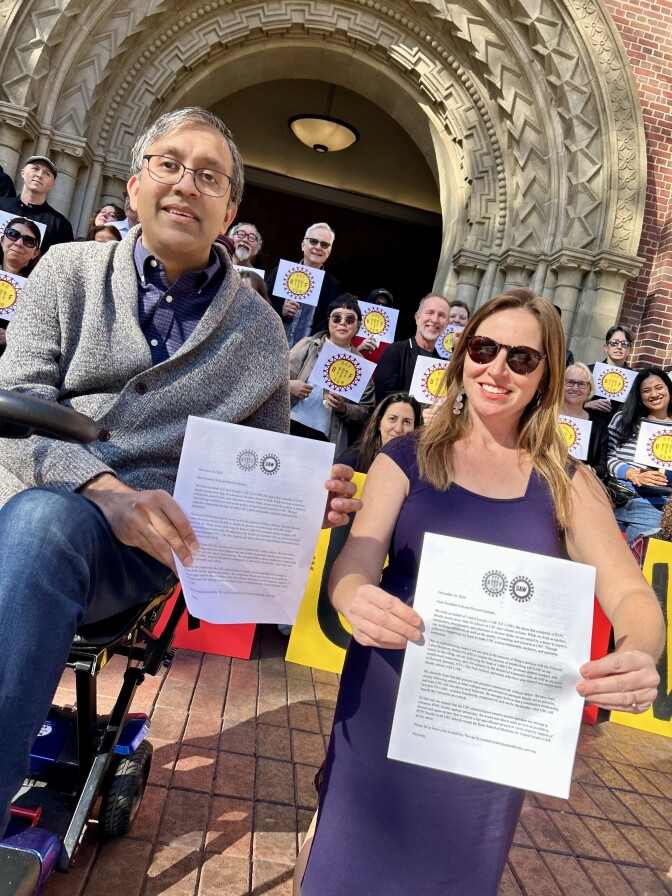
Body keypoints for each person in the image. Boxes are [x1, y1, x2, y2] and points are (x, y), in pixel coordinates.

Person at [0, 106, 361, 833]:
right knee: (39, 517)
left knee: (43, 528)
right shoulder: (66, 271)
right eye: (168, 165)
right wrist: (105, 491)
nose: (185, 184)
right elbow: (15, 410)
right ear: (135, 186)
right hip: (28, 487)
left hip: (134, 549)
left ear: (229, 211)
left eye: (208, 176)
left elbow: (260, 469)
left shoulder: (258, 331)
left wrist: (299, 502)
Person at [299, 287, 664, 896]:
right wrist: (352, 594)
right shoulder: (405, 457)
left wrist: (639, 652)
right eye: (484, 348)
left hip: (493, 736)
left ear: (546, 376)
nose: (497, 368)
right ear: (462, 355)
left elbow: (630, 593)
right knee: (340, 867)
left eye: (522, 358)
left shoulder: (568, 482)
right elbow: (355, 560)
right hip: (385, 707)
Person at [289, 295, 375, 455]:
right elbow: (275, 378)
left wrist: (344, 408)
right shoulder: (308, 345)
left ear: (358, 325)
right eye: (337, 318)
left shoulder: (361, 366)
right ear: (329, 320)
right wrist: (290, 386)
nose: (342, 323)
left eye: (350, 320)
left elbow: (366, 412)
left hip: (326, 438)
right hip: (291, 423)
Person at [607, 367, 672, 541]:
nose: (654, 394)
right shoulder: (623, 419)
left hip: (653, 508)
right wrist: (633, 474)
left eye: (659, 387)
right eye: (646, 390)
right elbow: (608, 457)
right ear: (640, 396)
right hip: (613, 500)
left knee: (639, 558)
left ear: (668, 389)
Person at [267, 223, 341, 347]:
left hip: (307, 351)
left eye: (324, 245)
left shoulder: (332, 285)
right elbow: (262, 302)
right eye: (313, 241)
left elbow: (330, 322)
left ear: (329, 251)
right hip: (272, 343)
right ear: (303, 245)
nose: (318, 247)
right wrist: (281, 308)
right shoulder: (281, 271)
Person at [374, 293, 450, 403]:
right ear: (417, 318)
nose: (434, 319)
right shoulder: (395, 351)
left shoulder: (442, 365)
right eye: (430, 312)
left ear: (446, 324)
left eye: (441, 315)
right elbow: (384, 398)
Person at [0, 155, 73, 254]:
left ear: (52, 185)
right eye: (35, 168)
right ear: (23, 172)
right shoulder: (1, 204)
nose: (39, 175)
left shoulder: (60, 225)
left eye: (46, 173)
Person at [338, 391, 421, 472]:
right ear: (379, 423)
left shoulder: (420, 468)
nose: (398, 429)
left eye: (407, 422)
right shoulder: (351, 460)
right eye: (392, 419)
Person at [561, 363, 608, 480]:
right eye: (570, 382)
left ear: (590, 390)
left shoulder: (599, 426)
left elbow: (602, 467)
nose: (575, 388)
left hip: (577, 482)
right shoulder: (545, 416)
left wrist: (589, 470)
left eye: (582, 384)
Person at [585, 325, 635, 423]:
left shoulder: (635, 379)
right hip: (589, 423)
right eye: (614, 343)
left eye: (624, 344)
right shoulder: (588, 371)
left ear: (630, 349)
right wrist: (587, 404)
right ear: (606, 347)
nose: (619, 347)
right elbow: (568, 400)